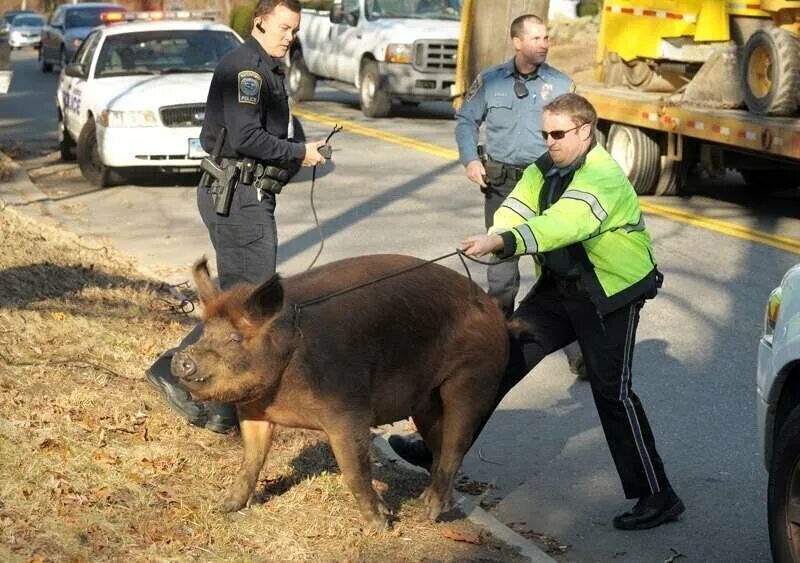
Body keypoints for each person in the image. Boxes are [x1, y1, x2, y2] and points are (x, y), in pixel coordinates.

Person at [391, 93, 684, 531]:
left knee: (612, 394)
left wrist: (505, 243)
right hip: (559, 290)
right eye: (545, 133)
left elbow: (563, 223)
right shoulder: (545, 167)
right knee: (497, 361)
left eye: (558, 133)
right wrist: (496, 232)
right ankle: (437, 446)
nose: (550, 141)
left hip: (609, 295)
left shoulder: (602, 176)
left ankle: (658, 496)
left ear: (585, 131)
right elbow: (519, 206)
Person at [145, 0, 328, 433]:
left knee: (239, 300)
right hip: (238, 195)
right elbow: (246, 136)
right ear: (260, 21)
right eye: (284, 27)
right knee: (247, 305)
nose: (289, 36)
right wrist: (300, 152)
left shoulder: (263, 66)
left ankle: (219, 402)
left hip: (245, 194)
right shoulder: (246, 68)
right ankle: (173, 372)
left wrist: (294, 156)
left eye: (295, 30)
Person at [454, 13, 585, 376]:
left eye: (546, 37)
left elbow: (583, 132)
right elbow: (466, 121)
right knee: (502, 272)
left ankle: (577, 352)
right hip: (501, 184)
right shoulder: (492, 82)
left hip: (549, 185)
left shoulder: (560, 84)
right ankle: (496, 353)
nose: (544, 43)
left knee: (557, 266)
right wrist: (470, 160)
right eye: (536, 38)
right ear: (517, 42)